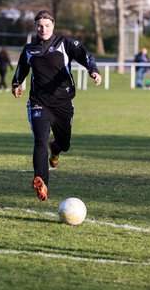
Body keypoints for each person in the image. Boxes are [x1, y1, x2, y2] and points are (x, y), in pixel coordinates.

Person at [11, 10, 102, 201]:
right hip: (39, 103)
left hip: (63, 104)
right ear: (35, 26)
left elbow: (86, 55)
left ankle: (57, 149)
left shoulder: (64, 43)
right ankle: (41, 182)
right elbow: (21, 68)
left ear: (53, 26)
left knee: (64, 144)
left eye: (46, 25)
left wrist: (93, 71)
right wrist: (16, 84)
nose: (43, 29)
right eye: (39, 25)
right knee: (39, 141)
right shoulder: (29, 49)